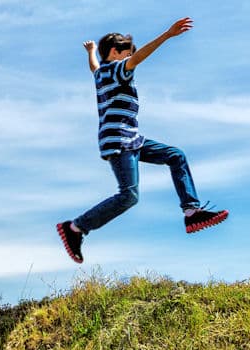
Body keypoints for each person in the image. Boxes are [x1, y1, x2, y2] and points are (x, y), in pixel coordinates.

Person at [57, 17, 229, 264]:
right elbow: (138, 58)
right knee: (129, 195)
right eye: (126, 54)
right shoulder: (117, 70)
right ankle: (75, 227)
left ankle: (192, 212)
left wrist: (91, 51)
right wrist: (167, 35)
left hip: (132, 139)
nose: (130, 60)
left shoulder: (101, 73)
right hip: (120, 141)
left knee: (176, 155)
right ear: (115, 52)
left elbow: (94, 66)